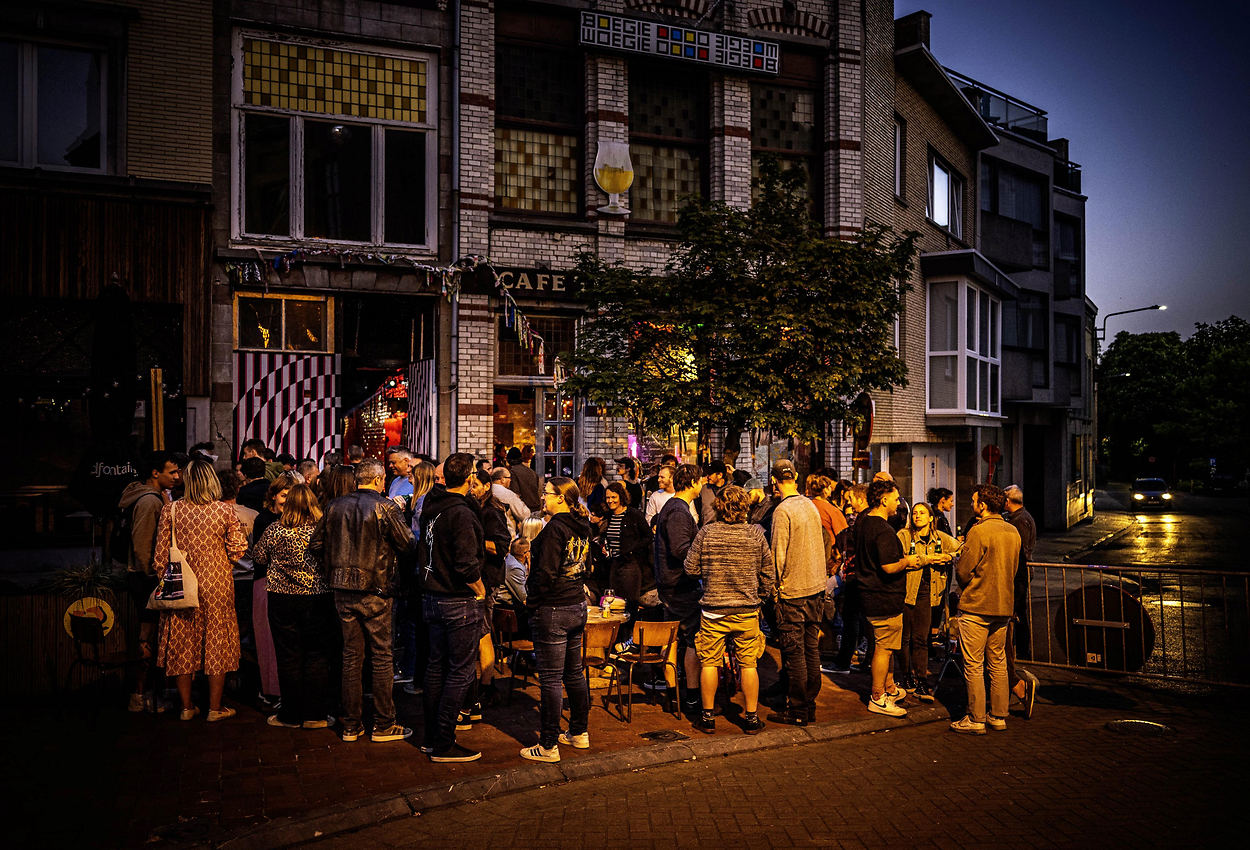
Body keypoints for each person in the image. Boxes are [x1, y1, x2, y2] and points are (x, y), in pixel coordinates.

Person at [310, 459, 416, 743]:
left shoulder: (335, 506)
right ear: (379, 480)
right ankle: (383, 724)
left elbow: (316, 544)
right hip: (375, 589)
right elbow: (408, 544)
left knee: (351, 657)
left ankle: (351, 724)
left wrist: (333, 569)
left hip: (343, 589)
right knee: (381, 657)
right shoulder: (385, 507)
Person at [153, 460, 248, 721]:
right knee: (217, 642)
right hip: (217, 584)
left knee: (182, 643)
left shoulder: (171, 510)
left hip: (181, 584)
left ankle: (186, 707)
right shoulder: (224, 510)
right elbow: (239, 548)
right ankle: (214, 709)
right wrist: (221, 562)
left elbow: (159, 557)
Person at [683, 485, 774, 735]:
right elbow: (768, 573)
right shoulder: (755, 535)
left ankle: (707, 717)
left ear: (718, 507)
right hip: (747, 610)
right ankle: (751, 718)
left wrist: (711, 573)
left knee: (709, 663)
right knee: (749, 664)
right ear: (745, 507)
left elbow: (690, 568)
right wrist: (759, 598)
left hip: (714, 610)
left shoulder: (707, 533)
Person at [418, 453, 487, 763]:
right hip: (456, 599)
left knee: (437, 667)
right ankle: (443, 741)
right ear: (470, 478)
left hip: (433, 596)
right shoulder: (460, 512)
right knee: (460, 671)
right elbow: (466, 564)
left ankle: (432, 737)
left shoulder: (432, 505)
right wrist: (480, 590)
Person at [520, 478, 592, 762]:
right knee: (573, 674)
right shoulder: (581, 526)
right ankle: (579, 731)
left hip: (554, 608)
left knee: (551, 678)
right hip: (575, 603)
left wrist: (532, 601)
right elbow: (586, 565)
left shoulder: (555, 529)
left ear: (561, 498)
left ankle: (548, 744)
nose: (543, 498)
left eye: (547, 493)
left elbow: (546, 573)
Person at [252, 484, 334, 729]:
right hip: (318, 597)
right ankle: (315, 715)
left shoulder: (275, 530)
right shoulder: (322, 530)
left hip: (282, 599)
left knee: (288, 657)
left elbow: (258, 556)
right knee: (316, 655)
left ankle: (290, 714)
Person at [950, 484, 1020, 735]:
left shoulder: (978, 531)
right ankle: (999, 715)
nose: (971, 504)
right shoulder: (1012, 531)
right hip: (1003, 605)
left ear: (983, 505)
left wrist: (970, 585)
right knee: (998, 661)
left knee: (973, 664)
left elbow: (963, 570)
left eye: (974, 501)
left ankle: (976, 718)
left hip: (977, 606)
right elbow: (1014, 568)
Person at [854, 478, 926, 718]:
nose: (899, 503)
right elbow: (888, 566)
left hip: (870, 594)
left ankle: (889, 687)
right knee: (884, 648)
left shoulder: (864, 522)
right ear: (884, 500)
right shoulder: (883, 530)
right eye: (895, 499)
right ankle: (878, 696)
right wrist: (908, 561)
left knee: (885, 645)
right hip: (884, 596)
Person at [763, 460, 827, 726]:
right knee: (811, 650)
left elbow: (778, 554)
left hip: (793, 592)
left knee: (794, 653)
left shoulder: (783, 511)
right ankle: (808, 705)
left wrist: (773, 589)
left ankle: (798, 708)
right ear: (796, 477)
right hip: (815, 588)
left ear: (774, 481)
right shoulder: (810, 505)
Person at [119, 450, 180, 713]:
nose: (176, 477)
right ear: (155, 473)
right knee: (147, 636)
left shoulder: (151, 497)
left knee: (152, 636)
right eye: (172, 472)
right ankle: (139, 695)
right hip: (145, 579)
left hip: (145, 577)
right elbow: (143, 545)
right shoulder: (149, 501)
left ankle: (148, 692)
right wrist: (155, 576)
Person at [652, 463, 704, 709]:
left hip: (672, 583)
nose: (702, 485)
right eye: (700, 481)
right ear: (692, 483)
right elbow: (680, 549)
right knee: (690, 640)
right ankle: (690, 696)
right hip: (680, 586)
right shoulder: (678, 511)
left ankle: (674, 695)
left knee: (672, 639)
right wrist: (701, 562)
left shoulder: (675, 508)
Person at [895, 503, 958, 702]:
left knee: (922, 638)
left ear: (931, 518)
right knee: (904, 638)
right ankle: (906, 677)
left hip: (926, 592)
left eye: (922, 513)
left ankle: (921, 680)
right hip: (906, 591)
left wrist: (948, 556)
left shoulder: (939, 537)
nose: (917, 516)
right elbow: (900, 559)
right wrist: (927, 559)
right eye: (915, 513)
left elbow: (962, 548)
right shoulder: (904, 536)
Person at [252, 474, 297, 711]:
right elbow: (260, 557)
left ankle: (285, 691)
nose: (287, 501)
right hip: (266, 584)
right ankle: (271, 691)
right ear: (273, 496)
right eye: (283, 495)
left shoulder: (294, 520)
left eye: (292, 496)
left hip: (288, 587)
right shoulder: (265, 520)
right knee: (268, 640)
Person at [396, 461, 436, 694]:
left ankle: (415, 672)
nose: (409, 479)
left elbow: (416, 537)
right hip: (423, 569)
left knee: (415, 623)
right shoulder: (421, 500)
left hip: (419, 569)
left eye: (412, 475)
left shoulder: (422, 502)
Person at [1003, 484, 1039, 718]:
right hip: (1018, 576)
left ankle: (1022, 653)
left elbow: (1020, 552)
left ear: (1008, 501)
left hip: (1017, 577)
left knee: (1016, 615)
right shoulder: (1019, 518)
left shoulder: (1020, 521)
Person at [830, 482, 870, 674]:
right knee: (855, 617)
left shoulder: (865, 522)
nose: (850, 505)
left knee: (852, 618)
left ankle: (844, 661)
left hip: (857, 577)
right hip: (854, 576)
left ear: (861, 499)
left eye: (851, 499)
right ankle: (858, 659)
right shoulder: (857, 525)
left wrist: (847, 570)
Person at [598, 482, 653, 612]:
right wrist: (605, 548)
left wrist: (633, 549)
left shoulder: (634, 515)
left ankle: (630, 624)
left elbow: (649, 536)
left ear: (621, 497)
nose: (610, 501)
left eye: (613, 497)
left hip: (630, 563)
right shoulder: (609, 516)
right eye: (607, 497)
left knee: (629, 602)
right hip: (614, 563)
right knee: (614, 602)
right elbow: (607, 537)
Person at [490, 465, 531, 537]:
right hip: (506, 532)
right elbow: (524, 514)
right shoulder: (507, 494)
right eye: (509, 478)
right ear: (502, 479)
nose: (510, 480)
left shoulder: (486, 491)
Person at [507, 446, 542, 512]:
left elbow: (515, 493)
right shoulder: (531, 471)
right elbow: (538, 488)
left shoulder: (513, 472)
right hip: (536, 507)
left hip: (525, 509)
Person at [696, 460, 727, 527]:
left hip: (726, 530)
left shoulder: (731, 489)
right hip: (707, 529)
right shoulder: (703, 489)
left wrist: (734, 472)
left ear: (720, 475)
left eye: (710, 474)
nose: (707, 476)